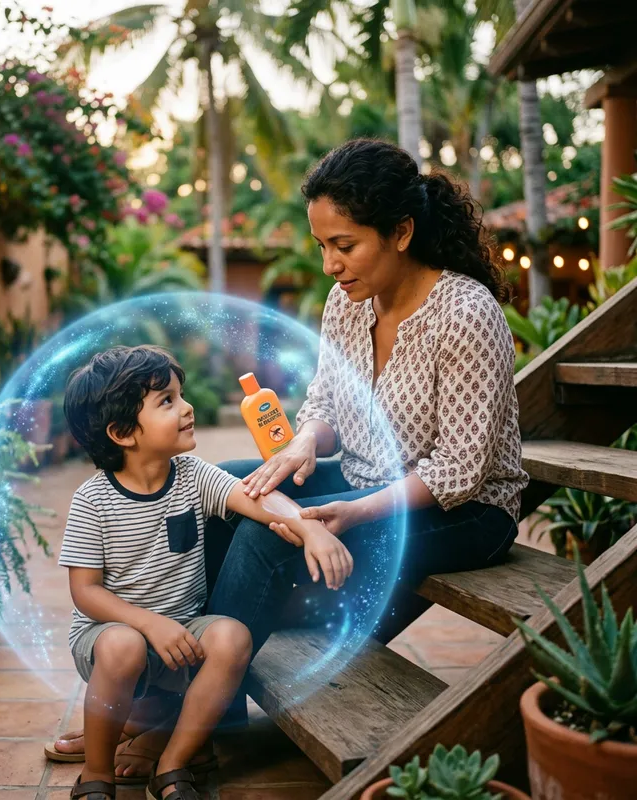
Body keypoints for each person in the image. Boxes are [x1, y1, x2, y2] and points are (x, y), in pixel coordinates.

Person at [51, 136, 530, 766]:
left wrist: (350, 513)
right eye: (323, 246)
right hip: (362, 478)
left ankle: (199, 726)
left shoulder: (465, 313)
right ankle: (186, 703)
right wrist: (303, 444)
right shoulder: (347, 302)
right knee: (233, 491)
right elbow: (328, 405)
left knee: (271, 534)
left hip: (464, 512)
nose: (331, 263)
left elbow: (462, 471)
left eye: (345, 244)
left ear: (402, 231)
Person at [57, 345, 352, 800]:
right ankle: (97, 775)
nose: (187, 407)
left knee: (232, 637)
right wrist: (148, 623)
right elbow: (85, 593)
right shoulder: (93, 501)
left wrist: (308, 530)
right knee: (123, 645)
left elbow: (255, 496)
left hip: (184, 635)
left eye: (181, 395)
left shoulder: (193, 475)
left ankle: (174, 762)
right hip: (112, 636)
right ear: (121, 432)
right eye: (167, 401)